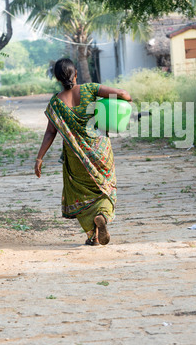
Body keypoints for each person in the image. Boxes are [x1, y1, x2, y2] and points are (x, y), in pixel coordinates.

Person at [34, 58, 132, 246]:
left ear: (57, 78)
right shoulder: (90, 89)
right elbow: (122, 93)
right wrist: (127, 99)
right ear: (76, 73)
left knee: (81, 192)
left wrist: (39, 158)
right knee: (105, 187)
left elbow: (49, 133)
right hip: (100, 150)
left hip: (76, 157)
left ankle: (92, 235)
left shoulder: (56, 103)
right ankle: (102, 215)